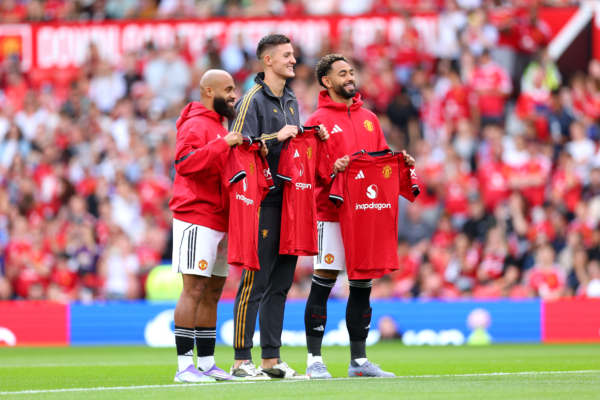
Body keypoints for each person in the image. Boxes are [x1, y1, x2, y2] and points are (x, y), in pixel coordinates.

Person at [302, 54, 415, 379]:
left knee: (362, 286)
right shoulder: (317, 119)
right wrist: (331, 168)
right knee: (323, 284)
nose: (351, 77)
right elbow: (308, 168)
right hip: (331, 213)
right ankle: (314, 361)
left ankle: (359, 362)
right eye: (342, 73)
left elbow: (379, 161)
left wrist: (398, 161)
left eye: (352, 72)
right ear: (327, 81)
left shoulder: (370, 119)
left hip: (365, 214)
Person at [228, 34, 329, 380]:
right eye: (286, 55)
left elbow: (292, 145)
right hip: (261, 199)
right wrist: (277, 138)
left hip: (291, 198)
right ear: (267, 60)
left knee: (281, 283)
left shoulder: (289, 99)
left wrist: (311, 136)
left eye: (292, 54)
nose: (292, 59)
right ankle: (241, 360)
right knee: (255, 280)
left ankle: (271, 359)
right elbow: (238, 147)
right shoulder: (251, 100)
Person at [169, 69, 244, 383]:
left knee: (213, 292)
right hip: (196, 215)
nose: (233, 95)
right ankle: (184, 366)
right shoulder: (196, 124)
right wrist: (223, 144)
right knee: (194, 289)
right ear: (209, 91)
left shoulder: (218, 126)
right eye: (228, 89)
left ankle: (208, 363)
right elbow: (183, 163)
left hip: (222, 218)